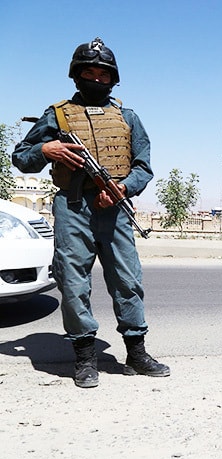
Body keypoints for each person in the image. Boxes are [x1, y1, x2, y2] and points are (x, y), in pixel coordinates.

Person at [13, 37, 169, 388]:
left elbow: (143, 168)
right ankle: (84, 357)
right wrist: (46, 148)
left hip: (113, 208)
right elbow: (21, 157)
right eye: (89, 72)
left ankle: (136, 353)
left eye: (103, 74)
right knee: (72, 283)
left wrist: (123, 189)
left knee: (128, 281)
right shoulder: (57, 115)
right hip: (72, 205)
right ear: (76, 75)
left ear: (113, 79)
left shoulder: (128, 117)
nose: (96, 79)